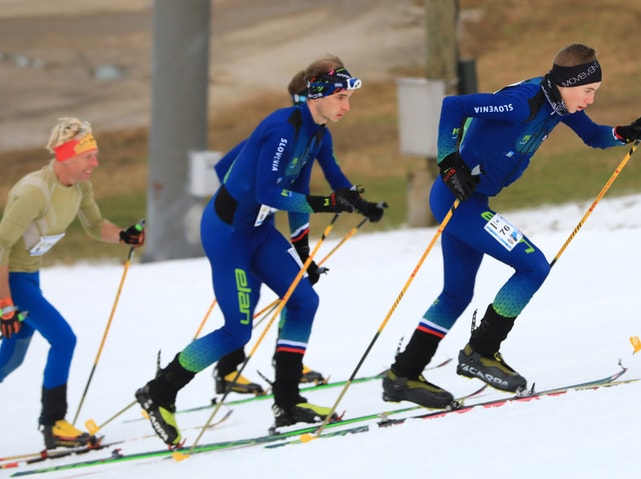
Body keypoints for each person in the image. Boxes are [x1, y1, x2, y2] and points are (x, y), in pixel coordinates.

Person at [382, 43, 641, 409]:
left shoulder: (557, 102)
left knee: (456, 294)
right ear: (569, 83)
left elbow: (594, 135)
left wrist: (630, 131)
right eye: (588, 91)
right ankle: (480, 353)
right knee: (533, 265)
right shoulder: (523, 102)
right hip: (458, 201)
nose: (591, 100)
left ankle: (402, 375)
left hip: (472, 201)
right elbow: (453, 106)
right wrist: (448, 162)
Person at [136, 54, 386, 447]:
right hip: (228, 235)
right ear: (318, 95)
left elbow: (331, 181)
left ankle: (287, 403)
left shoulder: (319, 133)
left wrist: (359, 204)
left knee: (304, 300)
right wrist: (331, 205)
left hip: (259, 230)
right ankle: (160, 391)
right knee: (237, 331)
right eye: (341, 97)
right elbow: (271, 191)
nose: (346, 106)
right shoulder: (282, 128)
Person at [0, 117, 145, 449]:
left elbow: (94, 225)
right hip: (10, 279)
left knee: (12, 357)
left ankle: (54, 424)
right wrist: (5, 304)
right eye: (87, 156)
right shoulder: (34, 191)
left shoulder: (79, 186)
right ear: (65, 156)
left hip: (29, 275)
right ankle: (54, 424)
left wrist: (123, 236)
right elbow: (0, 247)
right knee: (64, 340)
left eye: (95, 155)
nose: (95, 163)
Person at [211, 73, 332, 397]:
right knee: (246, 304)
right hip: (240, 229)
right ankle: (226, 371)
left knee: (293, 294)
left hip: (261, 228)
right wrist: (244, 196)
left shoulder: (309, 136)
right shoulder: (277, 133)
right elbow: (224, 167)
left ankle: (287, 365)